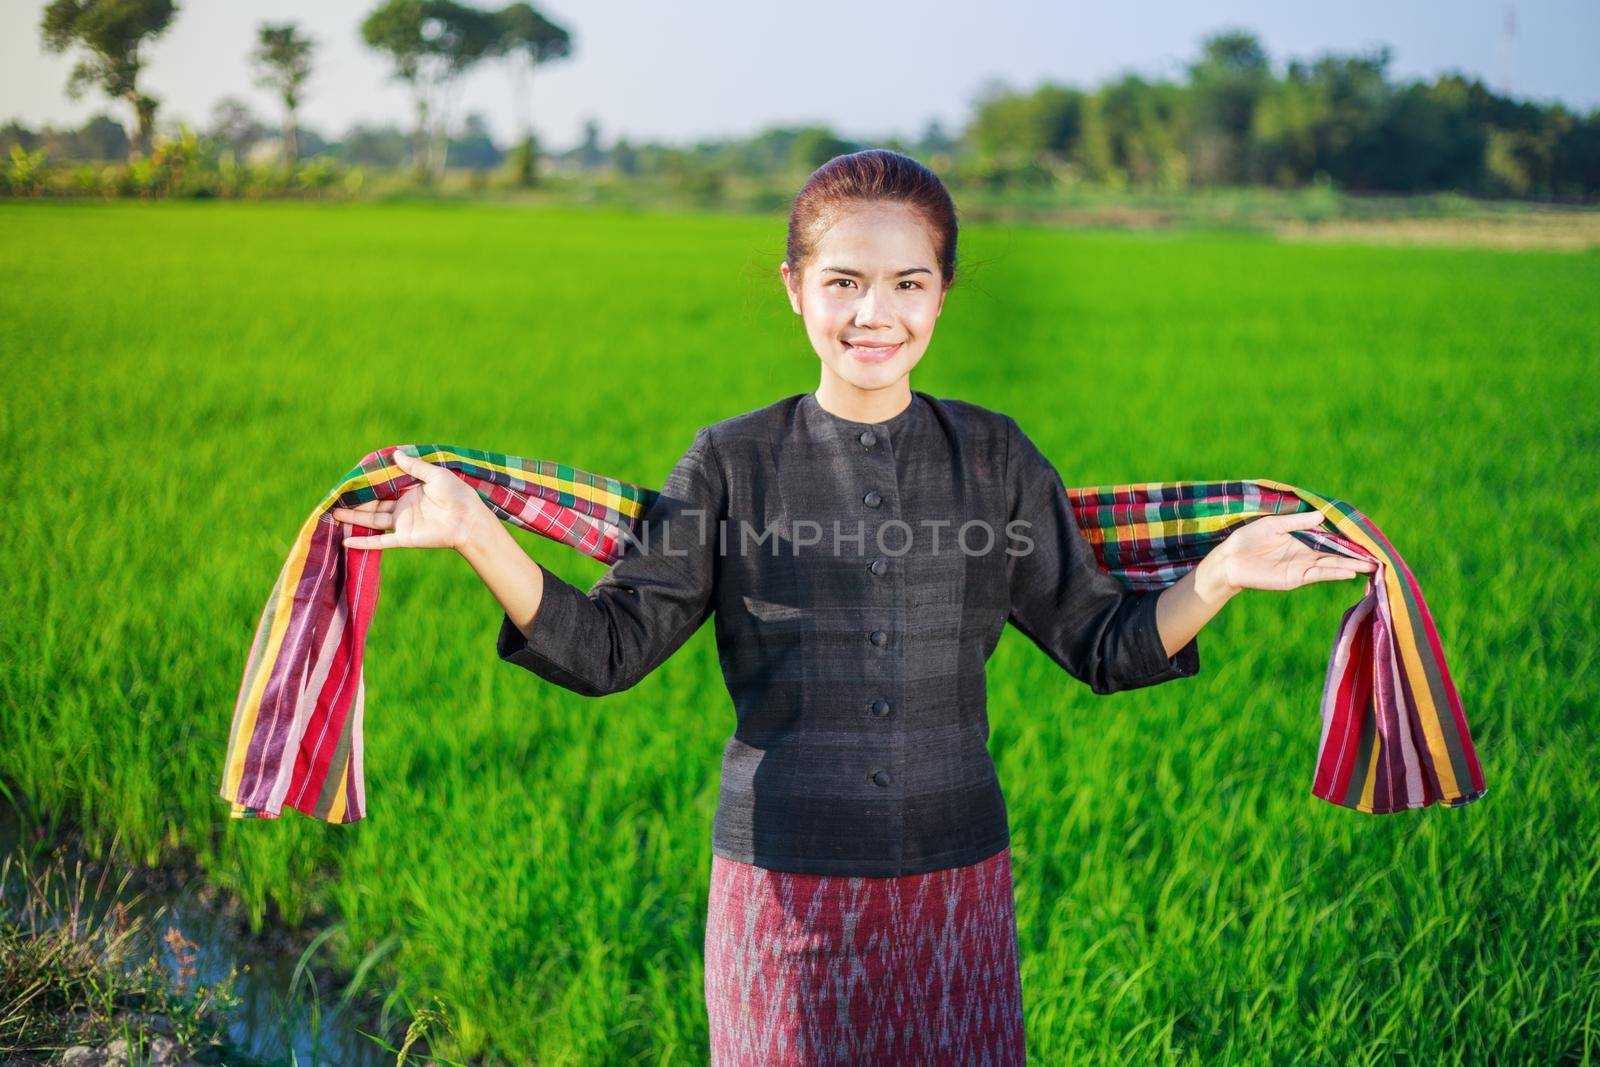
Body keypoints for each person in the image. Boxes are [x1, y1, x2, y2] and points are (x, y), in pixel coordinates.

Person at [333, 149, 1377, 1065]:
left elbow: (1100, 640)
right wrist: (478, 532)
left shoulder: (996, 456)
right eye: (843, 282)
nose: (874, 314)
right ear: (794, 288)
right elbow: (608, 647)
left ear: (942, 293)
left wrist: (1225, 571)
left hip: (956, 881)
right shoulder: (731, 460)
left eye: (905, 283)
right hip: (783, 881)